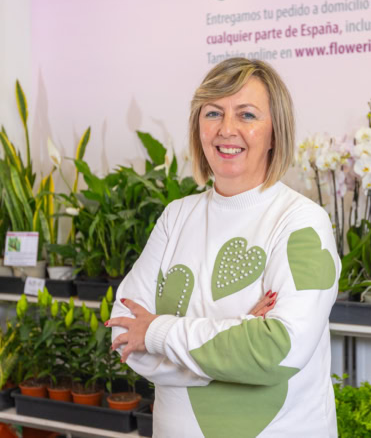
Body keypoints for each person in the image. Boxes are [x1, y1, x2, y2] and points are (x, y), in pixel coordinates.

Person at [107, 58, 341, 437]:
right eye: (213, 112)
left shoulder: (301, 221)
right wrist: (238, 337)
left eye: (247, 115)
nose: (226, 129)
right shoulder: (176, 217)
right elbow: (123, 335)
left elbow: (277, 353)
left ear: (275, 133)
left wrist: (158, 333)